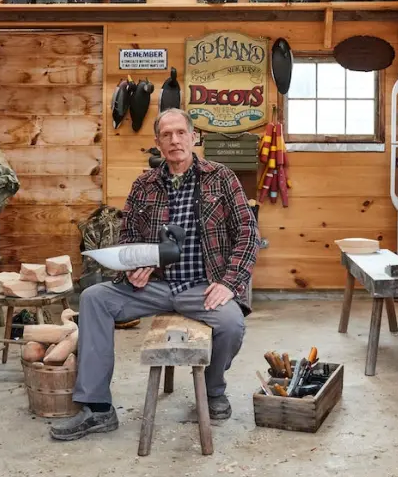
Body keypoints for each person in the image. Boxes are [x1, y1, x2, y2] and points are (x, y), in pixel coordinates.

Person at [50, 108, 259, 441]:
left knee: (232, 324)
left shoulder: (221, 178)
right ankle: (98, 408)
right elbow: (129, 235)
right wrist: (136, 267)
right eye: (167, 135)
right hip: (156, 287)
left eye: (180, 133)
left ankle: (214, 390)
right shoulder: (144, 185)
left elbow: (248, 232)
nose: (175, 141)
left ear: (194, 137)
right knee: (93, 298)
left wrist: (229, 283)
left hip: (202, 285)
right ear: (158, 143)